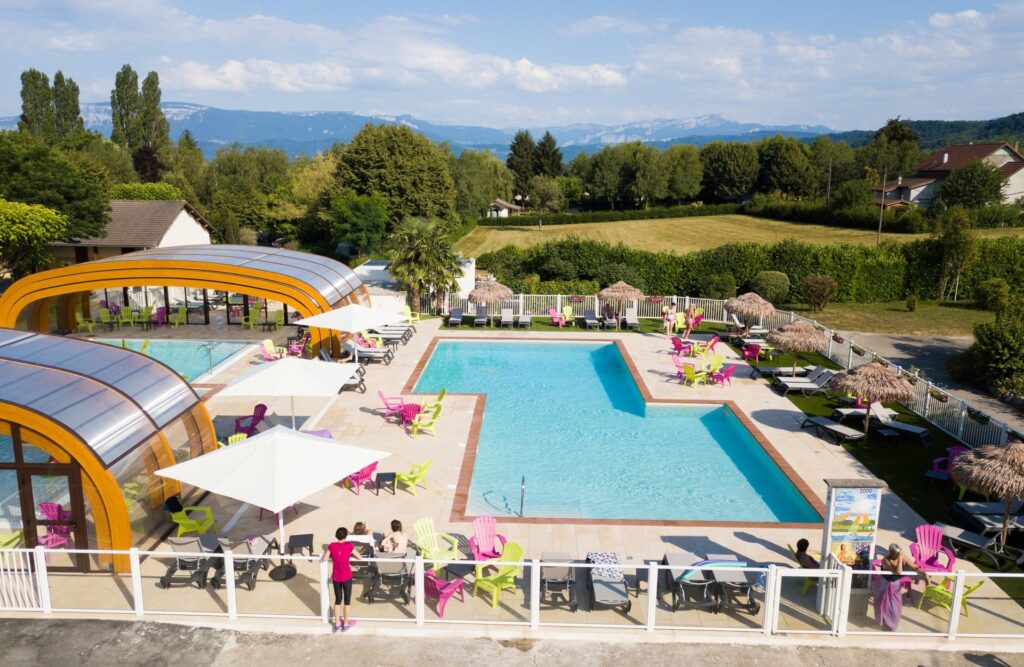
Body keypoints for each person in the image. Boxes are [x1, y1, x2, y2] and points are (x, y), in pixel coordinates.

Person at [872, 543, 930, 631]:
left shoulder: (903, 558)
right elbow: (898, 571)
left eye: (900, 554)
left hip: (895, 585)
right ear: (892, 554)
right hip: (883, 584)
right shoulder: (886, 560)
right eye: (897, 554)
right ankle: (883, 624)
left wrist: (924, 574)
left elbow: (914, 567)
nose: (900, 555)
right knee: (883, 606)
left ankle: (891, 625)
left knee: (896, 607)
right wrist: (900, 558)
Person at [322, 527, 363, 633]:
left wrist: (334, 557)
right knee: (347, 601)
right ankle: (345, 624)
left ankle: (337, 624)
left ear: (337, 535)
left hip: (336, 577)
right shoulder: (349, 546)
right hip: (347, 577)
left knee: (337, 600)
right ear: (345, 536)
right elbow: (359, 557)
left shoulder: (332, 546)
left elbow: (325, 558)